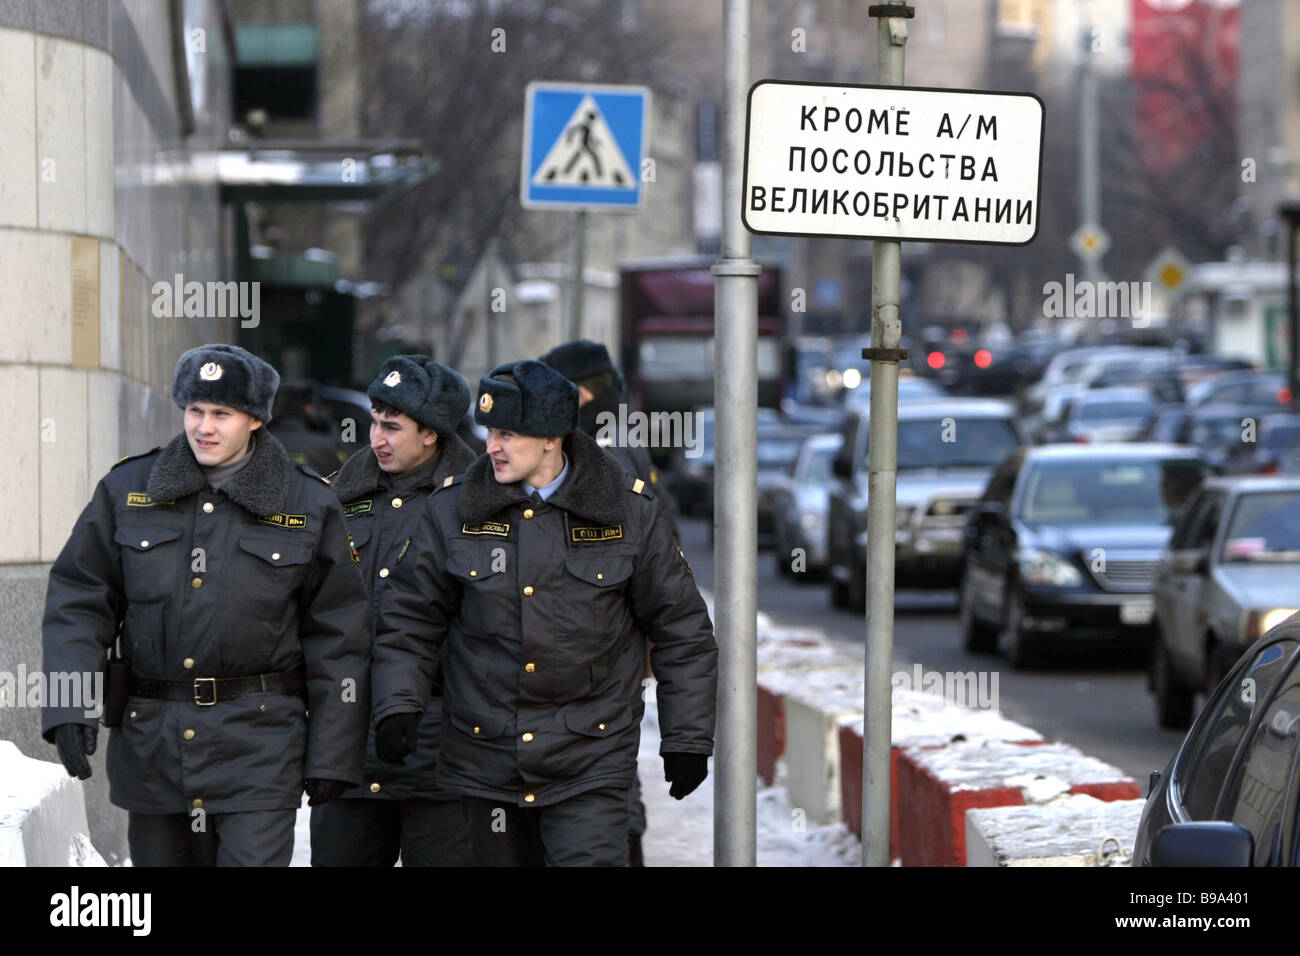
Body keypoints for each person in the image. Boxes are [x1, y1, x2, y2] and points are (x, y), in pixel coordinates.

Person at [371, 359, 717, 866]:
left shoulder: (628, 512)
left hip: (590, 760)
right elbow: (410, 621)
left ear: (552, 438)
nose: (491, 446)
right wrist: (399, 704)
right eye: (490, 431)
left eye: (508, 433)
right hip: (482, 757)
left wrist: (686, 737)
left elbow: (682, 631)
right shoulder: (452, 510)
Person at [41, 344, 371, 867]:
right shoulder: (129, 490)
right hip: (154, 748)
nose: (205, 427)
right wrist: (69, 701)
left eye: (222, 413)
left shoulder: (307, 502)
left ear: (256, 420)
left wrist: (334, 751)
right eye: (195, 411)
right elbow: (79, 600)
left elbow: (339, 634)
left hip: (260, 749)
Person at [310, 355, 477, 867]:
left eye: (392, 427)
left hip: (444, 751)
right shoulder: (338, 497)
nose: (376, 438)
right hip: (349, 751)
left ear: (431, 435)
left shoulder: (479, 503)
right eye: (374, 423)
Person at [539, 338, 676, 864]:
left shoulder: (601, 446)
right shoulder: (622, 430)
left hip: (603, 637)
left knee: (605, 773)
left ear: (574, 393)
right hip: (619, 634)